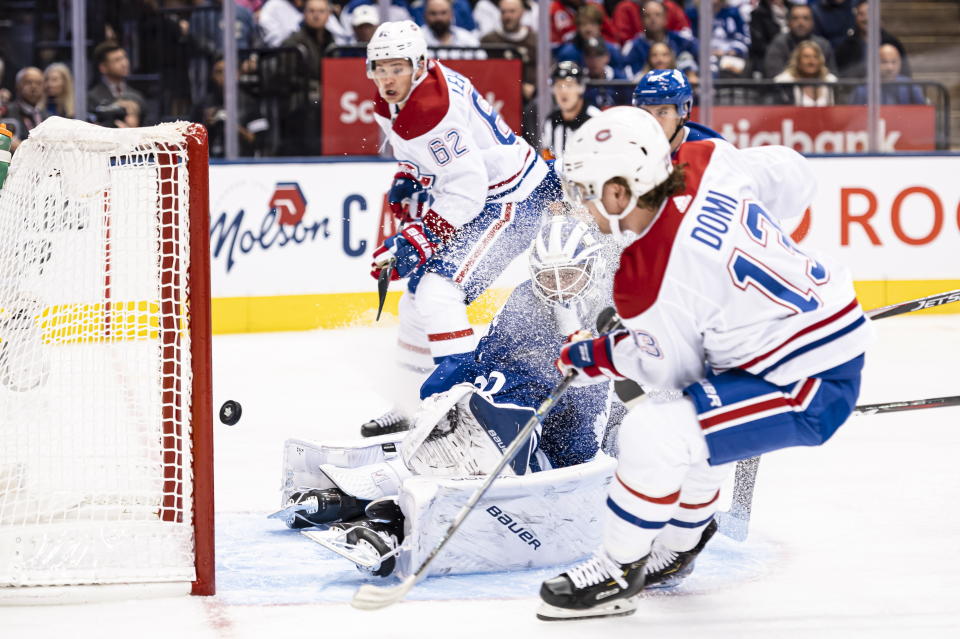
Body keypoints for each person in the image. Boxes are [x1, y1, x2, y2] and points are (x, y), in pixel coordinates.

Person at [536, 106, 872, 620]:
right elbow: (793, 173)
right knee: (694, 422)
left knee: (654, 430)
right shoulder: (706, 158)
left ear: (622, 190)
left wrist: (597, 355)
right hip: (822, 320)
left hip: (806, 382)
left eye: (587, 191)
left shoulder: (644, 280)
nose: (582, 205)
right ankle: (682, 543)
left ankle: (616, 572)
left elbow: (671, 372)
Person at [274, 215, 622, 577]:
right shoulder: (526, 298)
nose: (558, 288)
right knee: (479, 412)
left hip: (569, 435)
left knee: (512, 431)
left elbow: (623, 384)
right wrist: (458, 380)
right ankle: (363, 495)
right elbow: (492, 358)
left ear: (592, 266)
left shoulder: (613, 306)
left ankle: (397, 510)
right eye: (548, 277)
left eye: (567, 276)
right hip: (530, 414)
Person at [364, 21, 561, 424]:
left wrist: (417, 239)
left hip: (514, 196)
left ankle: (459, 405)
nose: (387, 78)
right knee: (417, 299)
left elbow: (468, 190)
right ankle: (411, 405)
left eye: (396, 67)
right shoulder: (404, 95)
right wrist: (409, 173)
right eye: (379, 68)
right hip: (490, 193)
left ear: (418, 65)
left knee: (439, 289)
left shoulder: (430, 111)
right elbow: (435, 159)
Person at [632, 68, 722, 155]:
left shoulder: (712, 154)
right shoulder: (631, 146)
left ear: (684, 109)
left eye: (662, 112)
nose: (653, 121)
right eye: (646, 113)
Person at [621, 0, 698, 80]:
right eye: (647, 15)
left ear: (665, 18)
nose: (653, 19)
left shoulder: (682, 42)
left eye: (657, 15)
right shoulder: (633, 47)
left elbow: (703, 60)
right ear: (641, 20)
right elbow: (627, 81)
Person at [480, 0, 539, 102]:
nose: (507, 16)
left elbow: (546, 68)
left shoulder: (535, 40)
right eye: (504, 12)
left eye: (512, 11)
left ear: (522, 12)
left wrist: (535, 87)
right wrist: (518, 86)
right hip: (498, 96)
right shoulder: (488, 41)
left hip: (530, 99)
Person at [541, 61, 600, 161]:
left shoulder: (596, 119)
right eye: (559, 86)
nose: (563, 91)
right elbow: (548, 159)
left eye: (569, 85)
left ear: (580, 88)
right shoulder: (550, 121)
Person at [835, 0, 910, 79]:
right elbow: (841, 75)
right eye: (861, 14)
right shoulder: (847, 46)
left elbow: (905, 73)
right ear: (855, 17)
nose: (866, 18)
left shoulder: (892, 42)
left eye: (870, 13)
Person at [763, 2, 836, 78]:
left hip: (818, 88)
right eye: (795, 18)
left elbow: (832, 75)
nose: (801, 23)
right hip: (787, 88)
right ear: (788, 22)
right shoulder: (779, 44)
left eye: (805, 18)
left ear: (812, 22)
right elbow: (774, 77)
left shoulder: (823, 45)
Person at [87, 42, 147, 121]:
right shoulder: (92, 97)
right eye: (117, 60)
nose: (124, 63)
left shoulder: (137, 95)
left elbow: (148, 123)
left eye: (124, 57)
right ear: (103, 67)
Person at [849, 44, 925, 105]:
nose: (890, 67)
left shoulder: (910, 85)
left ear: (900, 64)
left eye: (893, 62)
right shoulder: (863, 88)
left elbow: (923, 111)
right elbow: (854, 114)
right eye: (884, 62)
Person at [774, 39, 838, 106]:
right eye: (806, 57)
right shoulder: (786, 80)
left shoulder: (830, 80)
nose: (811, 61)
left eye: (815, 57)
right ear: (798, 60)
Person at [421, 0, 486, 59]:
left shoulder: (466, 38)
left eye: (443, 13)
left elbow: (482, 58)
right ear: (425, 15)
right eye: (433, 13)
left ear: (451, 14)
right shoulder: (418, 37)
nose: (439, 18)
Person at [582, 37, 630, 109]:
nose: (594, 60)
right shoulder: (580, 81)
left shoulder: (620, 79)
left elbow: (629, 108)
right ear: (584, 58)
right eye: (589, 55)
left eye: (598, 55)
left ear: (607, 57)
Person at [4, 67, 45, 144]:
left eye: (38, 83)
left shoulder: (47, 117)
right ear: (18, 85)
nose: (34, 87)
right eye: (28, 82)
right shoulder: (6, 112)